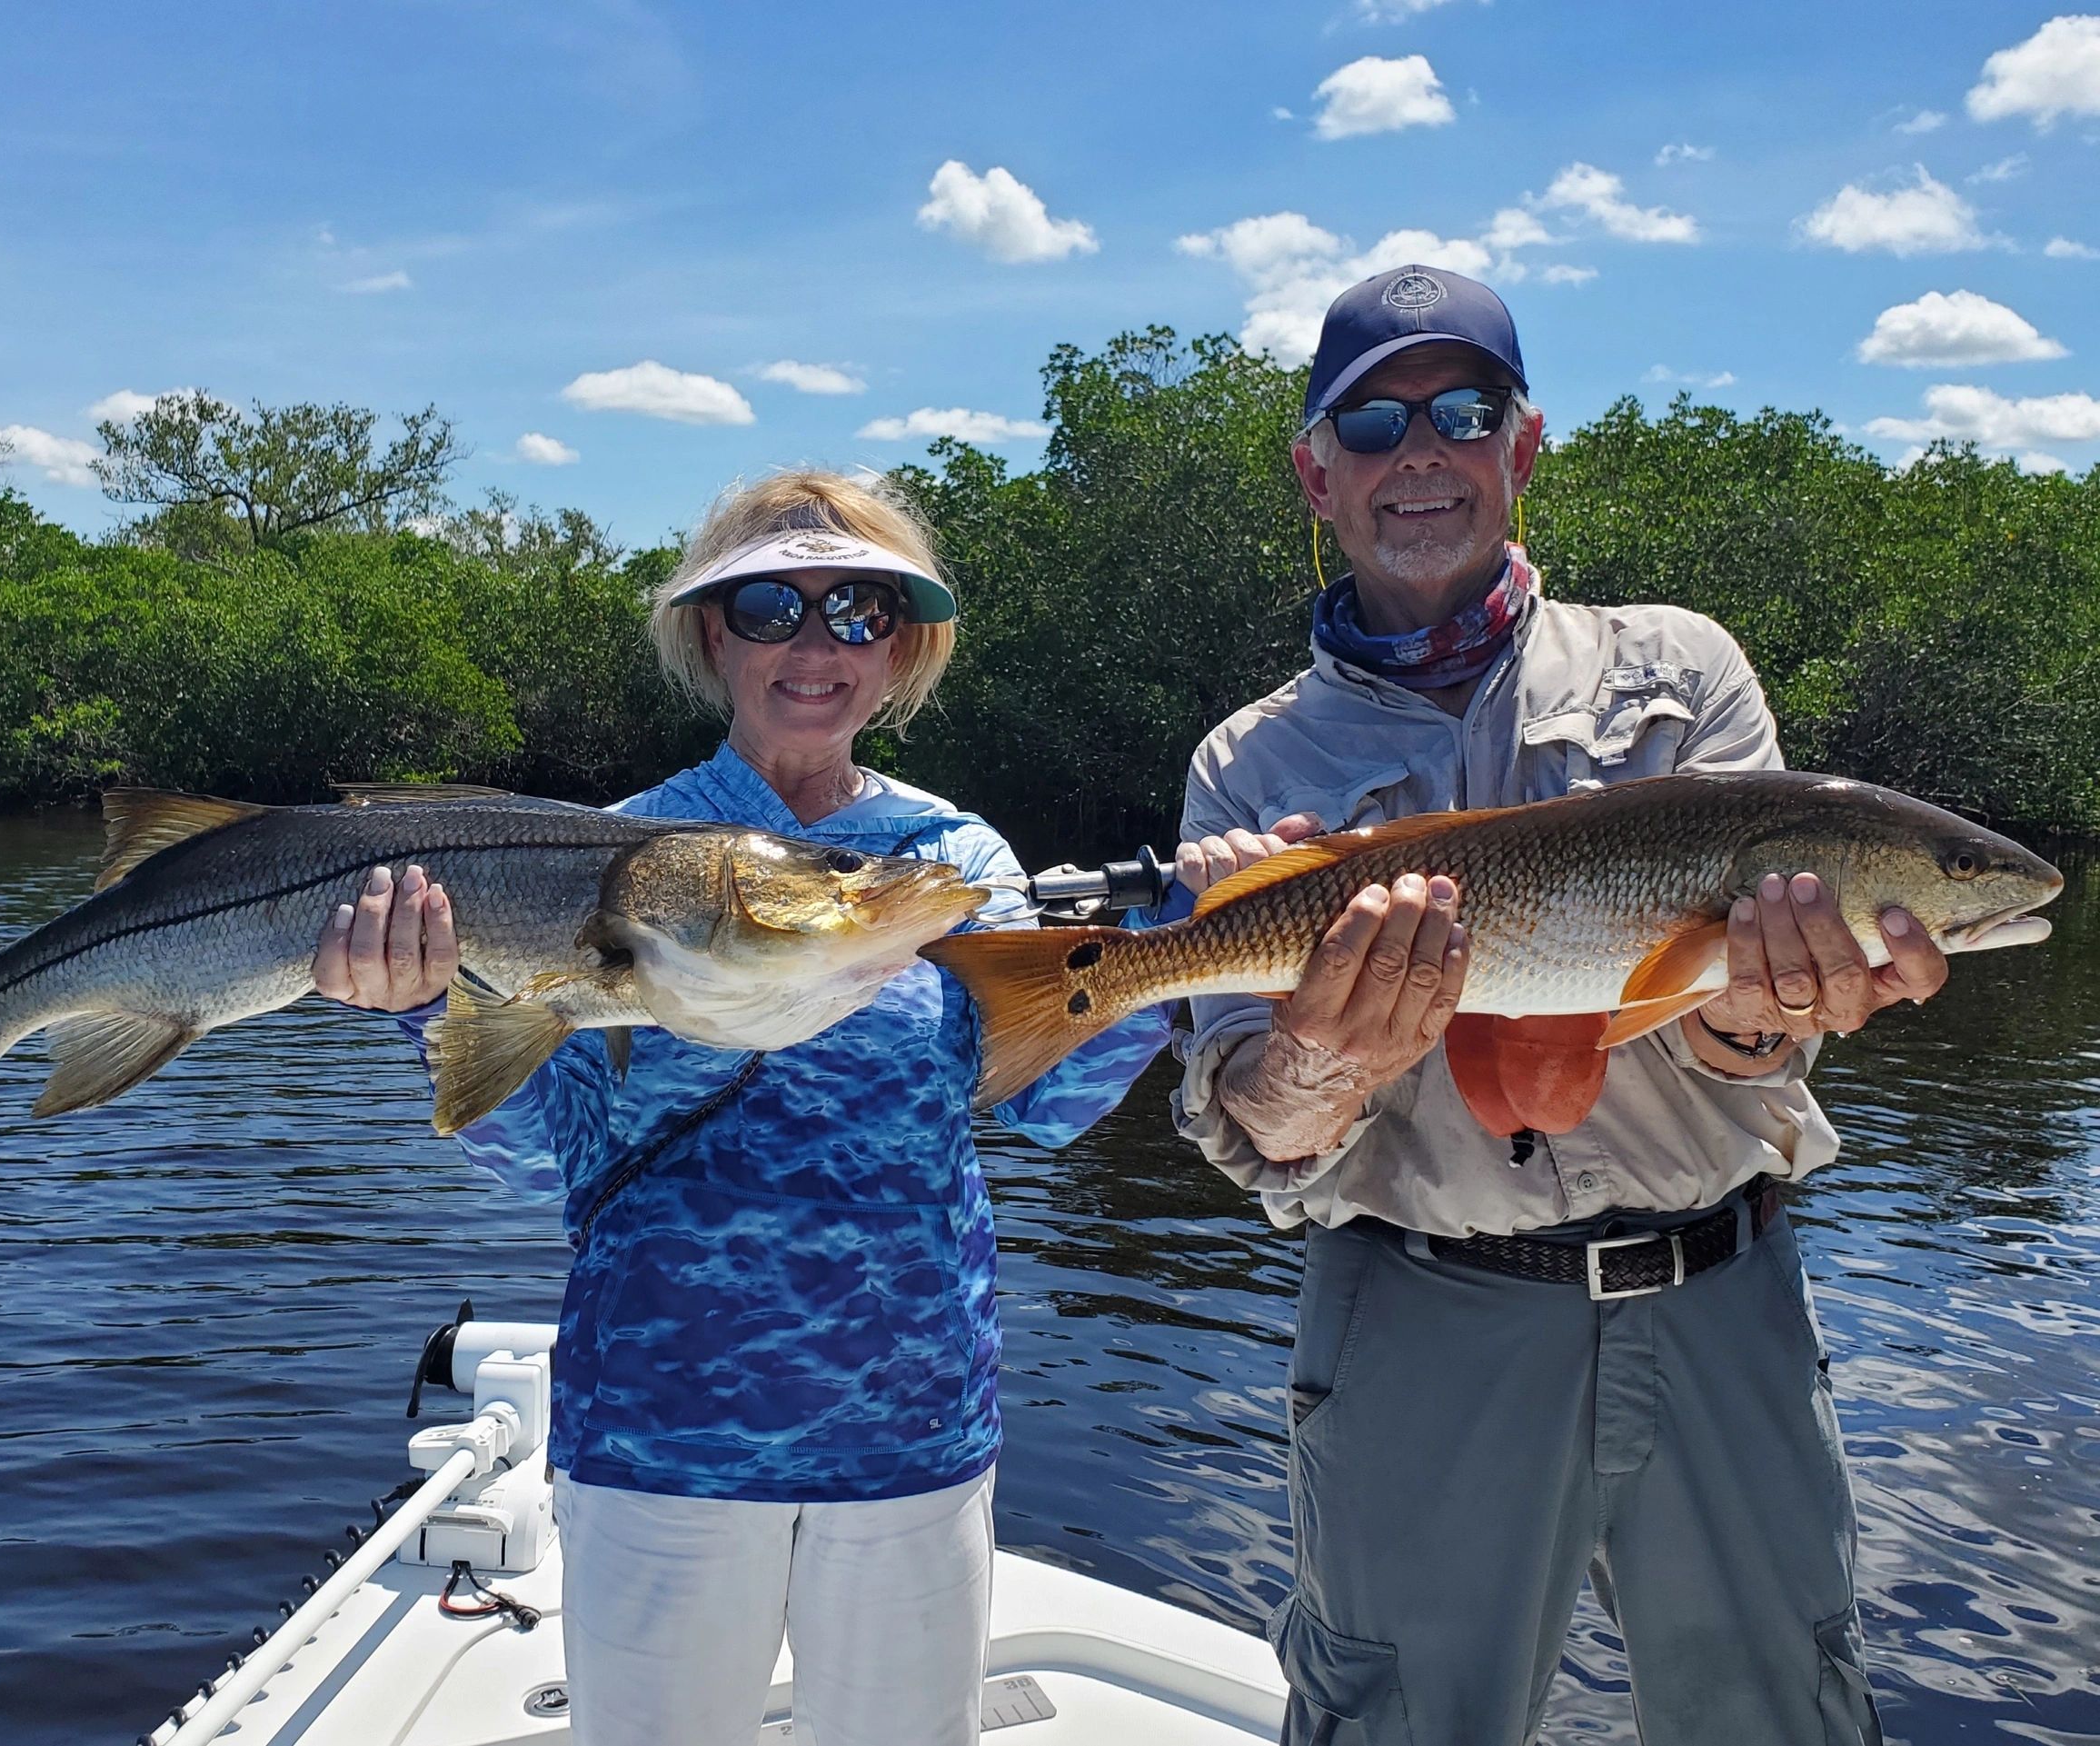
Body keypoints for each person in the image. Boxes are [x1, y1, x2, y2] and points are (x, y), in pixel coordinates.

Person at [1171, 264, 1940, 1744]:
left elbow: (1734, 1035)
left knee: (1784, 1709)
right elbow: (1258, 1129)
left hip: (1725, 1298)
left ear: (1522, 451)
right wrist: (1321, 1062)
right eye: (1376, 421)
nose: (1422, 455)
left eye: (1465, 411)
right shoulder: (1243, 768)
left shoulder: (1686, 672)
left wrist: (1772, 1006)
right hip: (1419, 1313)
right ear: (1315, 472)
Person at [313, 469, 1170, 1746]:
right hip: (661, 1440)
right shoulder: (605, 851)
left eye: (861, 609)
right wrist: (424, 1006)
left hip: (911, 1437)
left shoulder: (964, 865)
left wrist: (1169, 968)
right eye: (771, 604)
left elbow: (1047, 1106)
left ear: (903, 647)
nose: (816, 644)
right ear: (714, 634)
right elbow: (545, 1164)